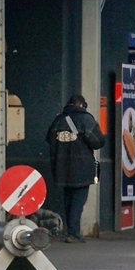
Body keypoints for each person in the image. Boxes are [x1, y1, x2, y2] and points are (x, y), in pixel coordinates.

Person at [44, 93, 105, 242]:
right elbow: (98, 141)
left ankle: (70, 231)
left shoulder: (58, 120)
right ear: (82, 105)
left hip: (61, 168)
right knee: (78, 201)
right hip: (82, 168)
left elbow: (49, 139)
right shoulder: (86, 119)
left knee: (68, 201)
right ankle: (73, 233)